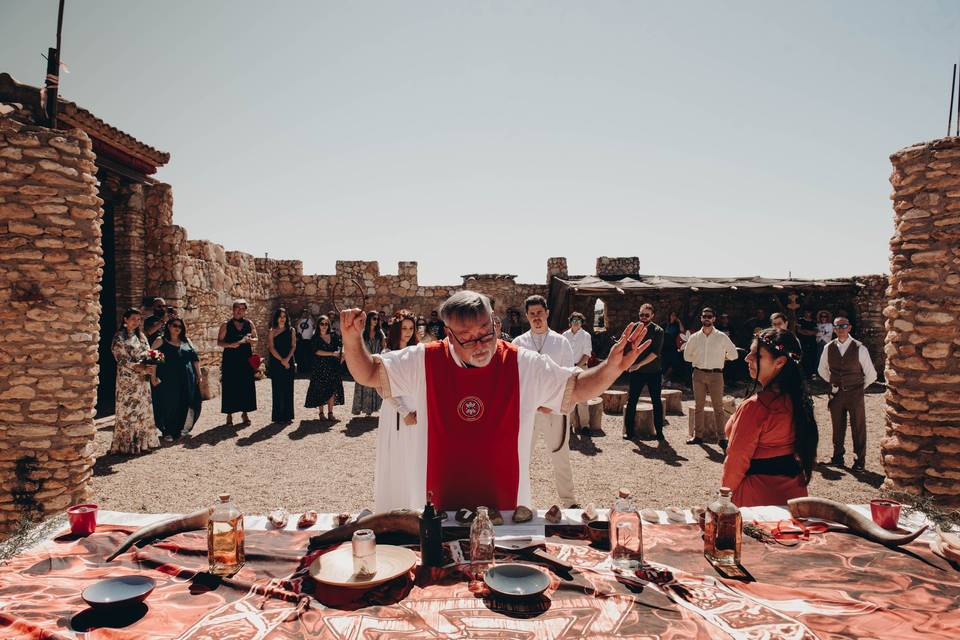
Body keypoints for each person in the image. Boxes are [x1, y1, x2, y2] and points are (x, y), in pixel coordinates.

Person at [340, 291, 650, 512]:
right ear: (448, 333)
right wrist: (353, 340)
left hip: (507, 510)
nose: (481, 345)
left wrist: (611, 368)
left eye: (486, 333)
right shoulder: (425, 359)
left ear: (494, 322)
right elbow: (368, 372)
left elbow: (576, 387)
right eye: (468, 338)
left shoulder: (521, 363)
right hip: (438, 507)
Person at [721, 329, 818, 507]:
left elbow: (736, 460)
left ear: (779, 362)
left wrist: (724, 501)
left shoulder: (755, 406)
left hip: (756, 498)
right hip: (795, 495)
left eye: (756, 355)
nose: (747, 358)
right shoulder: (799, 401)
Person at [513, 295, 579, 508]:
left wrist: (554, 404)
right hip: (527, 412)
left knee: (561, 455)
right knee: (521, 458)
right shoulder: (518, 343)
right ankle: (517, 500)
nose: (536, 318)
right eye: (532, 314)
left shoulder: (561, 342)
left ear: (547, 313)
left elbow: (569, 375)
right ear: (526, 316)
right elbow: (515, 378)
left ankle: (568, 501)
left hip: (554, 410)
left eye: (539, 313)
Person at [374, 312, 422, 511]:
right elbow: (381, 387)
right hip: (396, 410)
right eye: (404, 328)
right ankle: (394, 506)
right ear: (396, 329)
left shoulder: (417, 352)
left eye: (411, 328)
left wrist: (421, 407)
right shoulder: (386, 354)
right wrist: (403, 411)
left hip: (417, 408)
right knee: (397, 457)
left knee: (415, 457)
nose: (408, 333)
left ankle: (414, 505)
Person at [817, 316, 877, 471]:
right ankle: (837, 458)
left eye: (844, 326)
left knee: (858, 428)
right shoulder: (828, 347)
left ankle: (859, 462)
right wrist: (834, 382)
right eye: (837, 326)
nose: (841, 329)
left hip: (855, 393)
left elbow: (871, 374)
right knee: (837, 426)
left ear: (849, 328)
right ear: (834, 329)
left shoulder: (859, 348)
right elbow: (821, 370)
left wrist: (859, 387)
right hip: (836, 393)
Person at [684, 307, 739, 446]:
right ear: (701, 318)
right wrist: (699, 358)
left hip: (716, 375)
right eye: (704, 316)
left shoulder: (721, 336)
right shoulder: (694, 337)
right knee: (699, 406)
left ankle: (722, 438)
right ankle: (698, 436)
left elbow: (734, 355)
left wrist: (722, 358)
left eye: (709, 316)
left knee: (718, 407)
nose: (706, 318)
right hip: (698, 373)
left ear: (714, 318)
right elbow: (686, 356)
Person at [110, 308, 161, 454]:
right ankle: (126, 445)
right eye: (133, 319)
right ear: (125, 319)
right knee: (128, 411)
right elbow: (121, 359)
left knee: (142, 410)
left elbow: (148, 352)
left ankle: (142, 444)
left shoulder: (142, 336)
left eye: (139, 320)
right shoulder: (119, 337)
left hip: (142, 379)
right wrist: (138, 366)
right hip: (127, 380)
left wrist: (152, 362)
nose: (136, 322)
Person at [155, 317, 203, 441]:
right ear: (168, 326)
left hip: (187, 377)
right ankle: (167, 431)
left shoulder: (186, 340)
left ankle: (181, 428)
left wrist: (199, 375)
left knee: (186, 401)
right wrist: (153, 376)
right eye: (175, 325)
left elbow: (195, 359)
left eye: (180, 326)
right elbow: (153, 360)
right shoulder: (161, 341)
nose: (177, 328)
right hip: (168, 378)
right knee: (169, 403)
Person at [624, 304, 665, 439]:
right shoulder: (633, 328)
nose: (643, 317)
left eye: (647, 315)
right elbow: (626, 347)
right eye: (641, 314)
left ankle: (659, 432)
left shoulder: (658, 331)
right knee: (632, 401)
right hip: (637, 372)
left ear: (652, 315)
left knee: (656, 401)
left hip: (653, 371)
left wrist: (638, 365)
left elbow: (654, 353)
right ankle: (629, 432)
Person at [217, 299, 258, 426]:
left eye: (242, 308)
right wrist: (230, 345)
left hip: (245, 358)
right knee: (230, 385)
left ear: (245, 310)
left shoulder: (249, 323)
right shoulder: (226, 324)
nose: (239, 310)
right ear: (233, 309)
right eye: (237, 308)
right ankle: (229, 415)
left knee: (246, 385)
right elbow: (219, 342)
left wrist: (251, 340)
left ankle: (245, 413)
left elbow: (256, 338)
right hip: (230, 359)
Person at [305, 315, 344, 420]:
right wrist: (332, 353)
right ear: (318, 325)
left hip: (333, 366)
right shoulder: (315, 338)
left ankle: (330, 413)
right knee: (320, 390)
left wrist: (342, 356)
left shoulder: (334, 336)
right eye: (322, 324)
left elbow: (341, 347)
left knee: (331, 389)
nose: (324, 326)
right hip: (319, 367)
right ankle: (321, 413)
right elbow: (317, 351)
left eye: (326, 324)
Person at [562, 312, 593, 431]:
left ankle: (585, 426)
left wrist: (577, 366)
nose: (576, 323)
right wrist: (569, 367)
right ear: (570, 322)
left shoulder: (586, 335)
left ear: (581, 323)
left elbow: (587, 354)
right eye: (573, 320)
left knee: (583, 398)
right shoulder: (565, 335)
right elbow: (562, 351)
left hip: (581, 368)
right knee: (568, 397)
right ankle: (569, 425)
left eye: (578, 321)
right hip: (568, 369)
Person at [352, 312, 385, 416]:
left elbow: (384, 346)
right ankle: (358, 407)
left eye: (377, 319)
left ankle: (369, 410)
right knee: (362, 382)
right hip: (364, 361)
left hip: (375, 362)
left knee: (373, 384)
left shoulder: (380, 333)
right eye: (374, 318)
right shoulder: (363, 332)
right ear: (369, 319)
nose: (376, 321)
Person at [268, 307, 296, 423]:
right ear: (276, 318)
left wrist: (287, 359)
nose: (282, 319)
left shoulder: (291, 330)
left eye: (284, 317)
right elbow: (271, 347)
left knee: (288, 388)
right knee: (277, 388)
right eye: (280, 316)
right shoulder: (272, 331)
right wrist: (282, 360)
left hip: (289, 360)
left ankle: (288, 415)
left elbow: (293, 346)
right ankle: (278, 416)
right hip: (276, 362)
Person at [662, 311, 686, 383]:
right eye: (672, 315)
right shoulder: (665, 324)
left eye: (675, 315)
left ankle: (666, 377)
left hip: (674, 347)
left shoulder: (676, 325)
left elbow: (682, 331)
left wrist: (679, 322)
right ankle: (664, 379)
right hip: (665, 347)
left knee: (675, 363)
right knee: (665, 363)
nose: (673, 317)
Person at [797, 310, 819, 378]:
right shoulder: (800, 320)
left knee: (812, 356)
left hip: (812, 342)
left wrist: (806, 331)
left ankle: (811, 373)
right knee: (803, 356)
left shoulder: (813, 322)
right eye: (806, 312)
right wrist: (809, 332)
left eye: (809, 312)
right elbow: (799, 330)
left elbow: (815, 332)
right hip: (803, 341)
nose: (808, 313)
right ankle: (803, 373)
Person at [294, 310, 315, 376]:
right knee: (301, 355)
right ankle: (301, 369)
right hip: (301, 340)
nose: (305, 314)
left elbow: (314, 324)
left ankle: (308, 369)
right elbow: (296, 325)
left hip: (309, 340)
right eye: (304, 313)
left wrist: (310, 316)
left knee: (308, 355)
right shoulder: (300, 320)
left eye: (306, 313)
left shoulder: (310, 320)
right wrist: (301, 317)